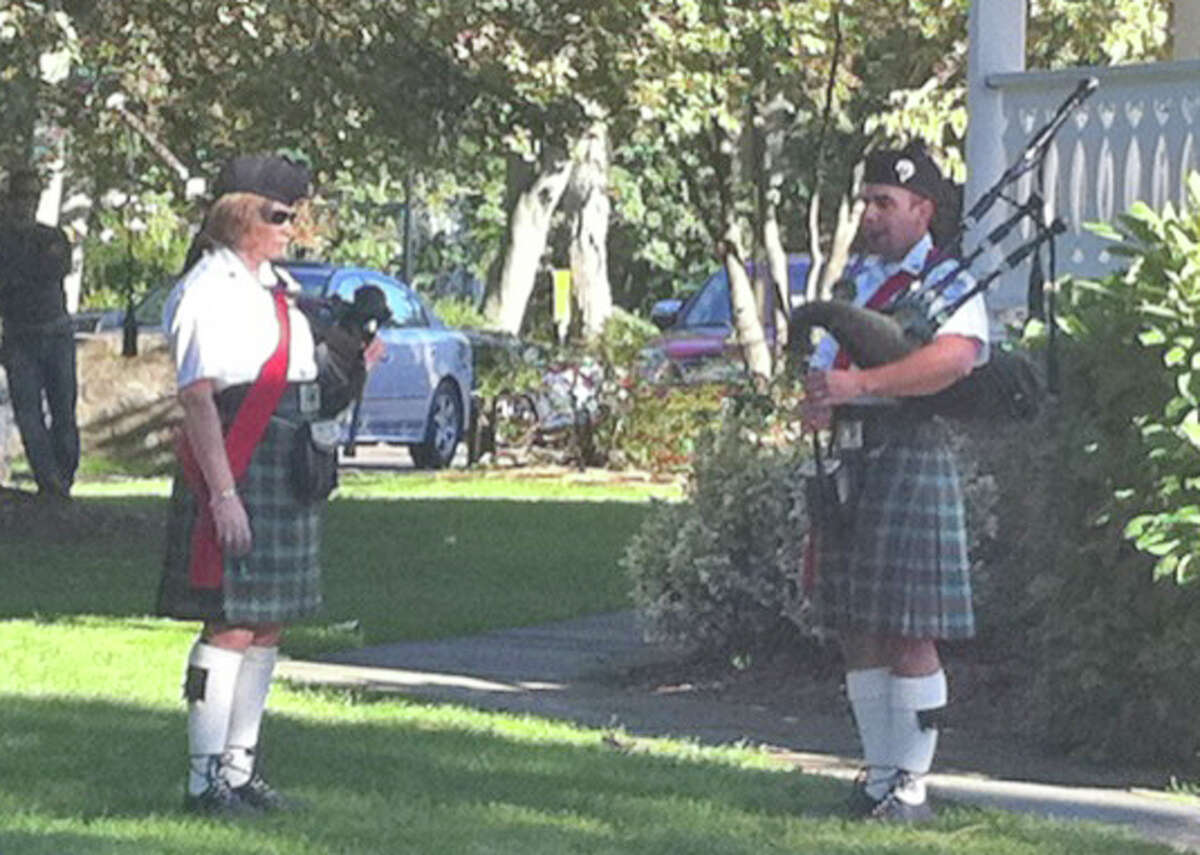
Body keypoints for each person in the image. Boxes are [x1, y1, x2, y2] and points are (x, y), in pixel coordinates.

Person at [157, 154, 381, 816]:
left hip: (283, 464)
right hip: (236, 458)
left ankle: (239, 767)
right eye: (280, 215)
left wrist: (350, 362)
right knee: (228, 623)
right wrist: (222, 495)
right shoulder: (207, 290)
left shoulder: (268, 285)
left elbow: (300, 374)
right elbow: (198, 398)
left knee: (266, 625)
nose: (292, 226)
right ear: (240, 214)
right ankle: (204, 781)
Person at [801, 144, 989, 822]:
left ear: (923, 209)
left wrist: (862, 384)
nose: (871, 215)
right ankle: (880, 776)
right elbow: (829, 361)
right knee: (859, 624)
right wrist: (822, 396)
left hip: (911, 452)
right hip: (850, 457)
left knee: (910, 628)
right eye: (866, 202)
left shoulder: (947, 281)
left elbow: (954, 359)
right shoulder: (859, 284)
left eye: (885, 202)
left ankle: (912, 785)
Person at [0, 168, 79, 498]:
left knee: (64, 412)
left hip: (56, 334)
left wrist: (18, 277)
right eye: (20, 197)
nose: (26, 204)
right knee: (29, 415)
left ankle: (64, 477)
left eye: (32, 197)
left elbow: (53, 270)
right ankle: (50, 482)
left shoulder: (52, 237)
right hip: (20, 338)